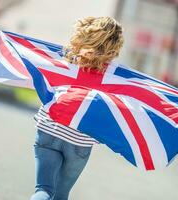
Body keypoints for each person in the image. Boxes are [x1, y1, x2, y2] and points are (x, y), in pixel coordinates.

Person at [30, 16, 124, 200]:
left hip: (49, 129)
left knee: (43, 190)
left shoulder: (67, 58)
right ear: (115, 44)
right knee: (61, 195)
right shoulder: (115, 75)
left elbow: (29, 54)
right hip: (79, 141)